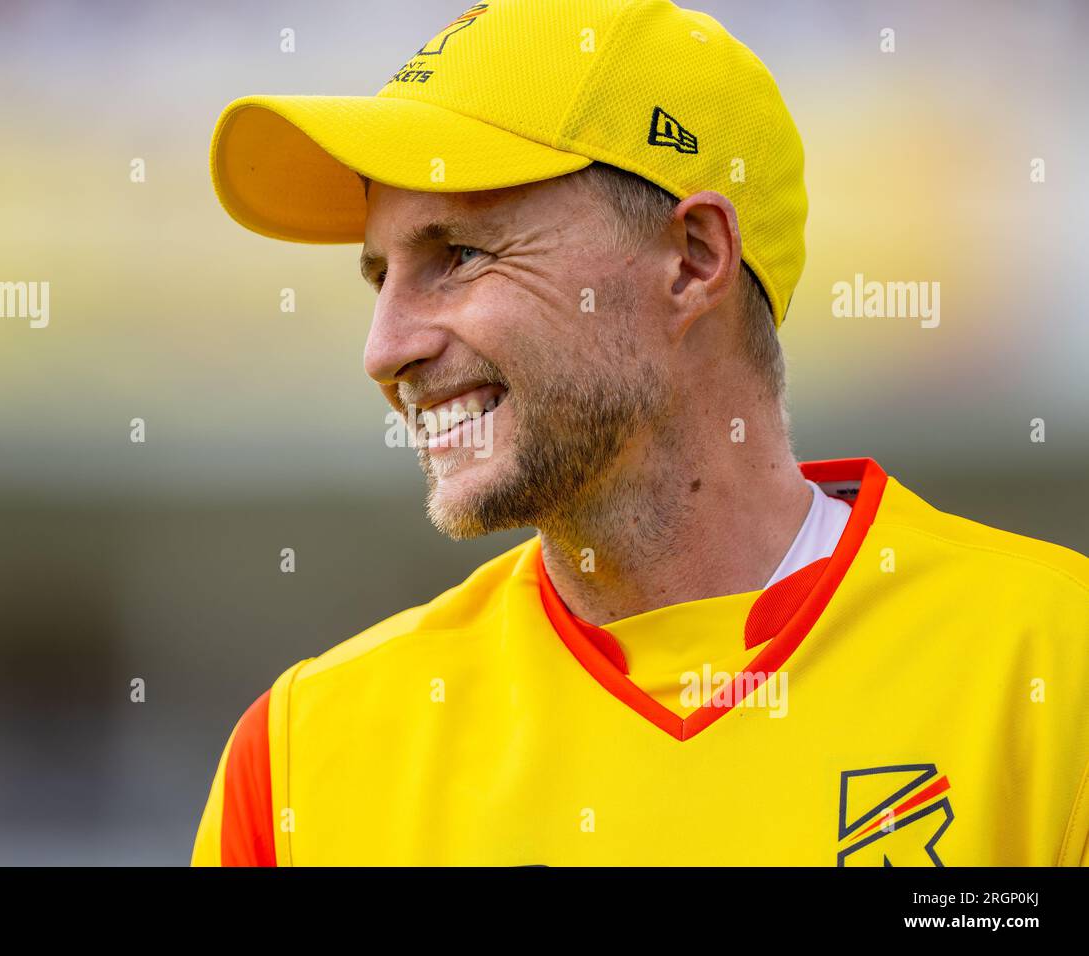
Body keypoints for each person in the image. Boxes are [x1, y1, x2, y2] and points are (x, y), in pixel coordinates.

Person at [192, 0, 1089, 866]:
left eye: (458, 255)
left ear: (695, 257)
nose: (385, 349)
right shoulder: (299, 760)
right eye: (379, 276)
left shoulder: (1055, 667)